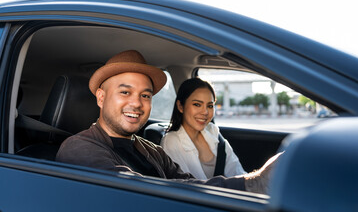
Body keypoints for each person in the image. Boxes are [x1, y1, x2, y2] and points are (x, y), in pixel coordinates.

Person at [56, 49, 281, 194]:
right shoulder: (78, 148)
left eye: (145, 96)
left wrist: (249, 184)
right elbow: (137, 193)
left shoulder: (151, 150)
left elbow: (189, 184)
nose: (137, 103)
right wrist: (252, 184)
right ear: (101, 97)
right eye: (125, 92)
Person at [161, 78, 246, 179]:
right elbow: (190, 187)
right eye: (197, 104)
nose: (205, 112)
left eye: (210, 106)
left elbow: (237, 171)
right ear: (180, 106)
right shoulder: (171, 142)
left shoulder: (213, 131)